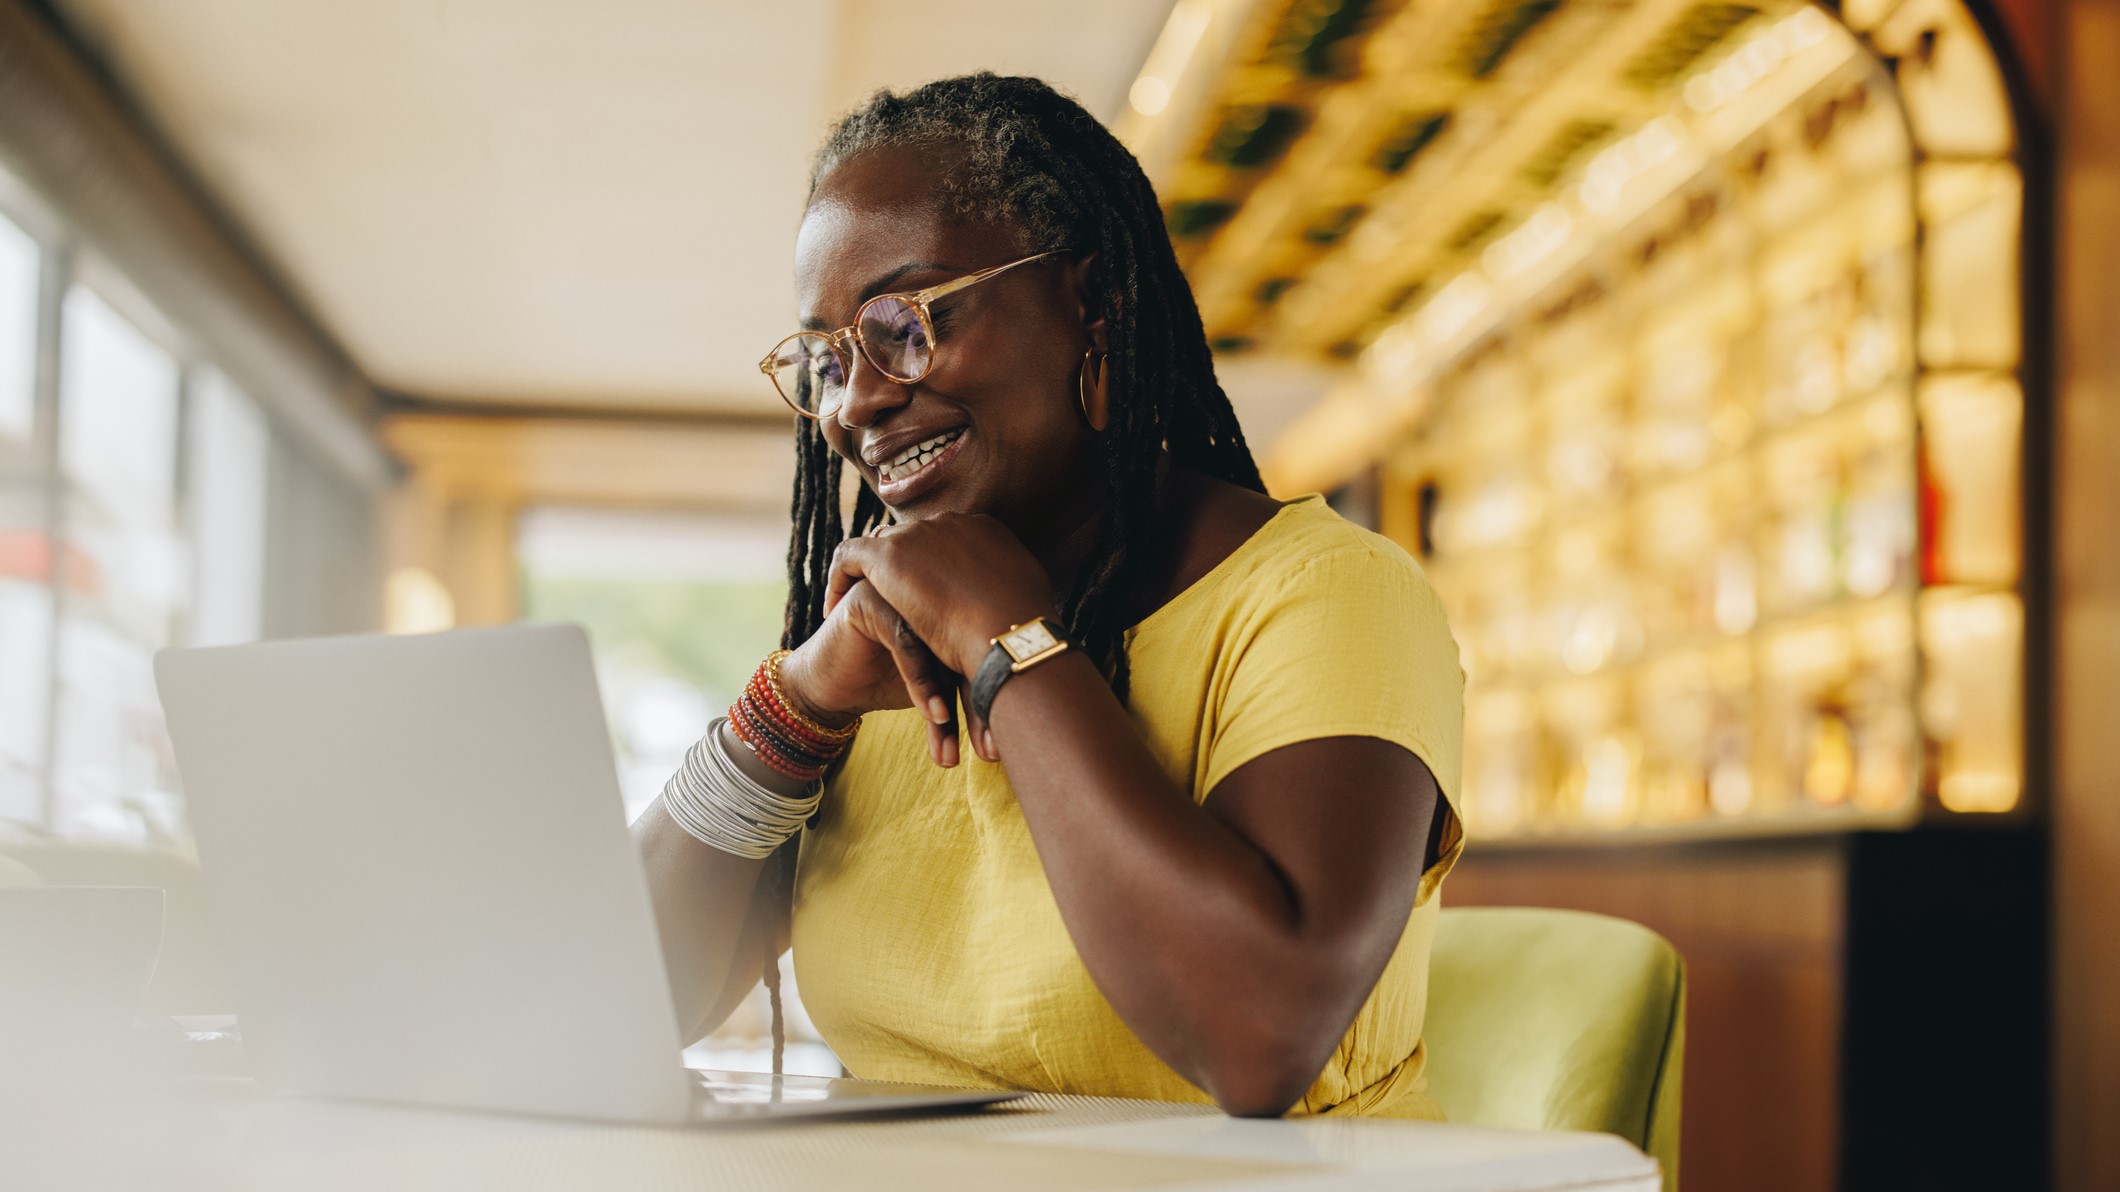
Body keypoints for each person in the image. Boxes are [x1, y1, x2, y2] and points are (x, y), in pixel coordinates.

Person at [635, 73, 1464, 1119]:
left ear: (1091, 304)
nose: (859, 402)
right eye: (826, 358)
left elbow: (1257, 1035)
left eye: (906, 319)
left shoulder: (1324, 594)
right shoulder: (875, 657)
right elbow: (619, 999)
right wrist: (792, 705)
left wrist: (1008, 646)